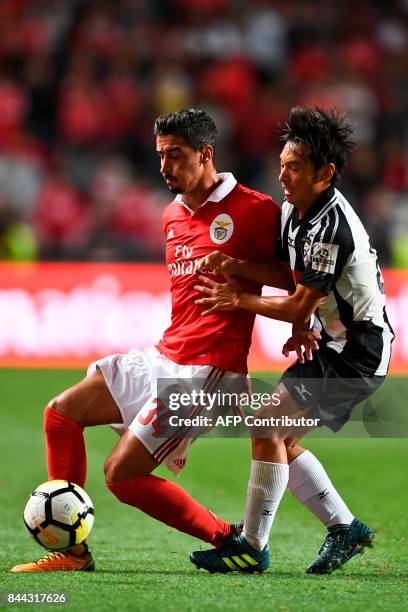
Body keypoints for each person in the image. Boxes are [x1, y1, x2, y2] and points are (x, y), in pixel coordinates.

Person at [11, 108, 295, 573]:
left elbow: (294, 278)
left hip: (212, 371)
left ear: (206, 154)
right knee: (61, 414)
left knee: (121, 476)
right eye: (160, 155)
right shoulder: (171, 215)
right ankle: (73, 552)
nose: (164, 166)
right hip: (164, 355)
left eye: (176, 155)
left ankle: (233, 541)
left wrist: (243, 274)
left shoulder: (256, 209)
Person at [190, 106, 394, 574]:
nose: (282, 174)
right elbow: (290, 277)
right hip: (335, 344)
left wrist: (238, 300)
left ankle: (252, 547)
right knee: (277, 437)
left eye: (294, 167)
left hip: (358, 353)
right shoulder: (293, 211)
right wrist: (237, 267)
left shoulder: (331, 227)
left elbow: (300, 302)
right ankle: (345, 529)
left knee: (266, 428)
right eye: (281, 163)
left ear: (325, 173)